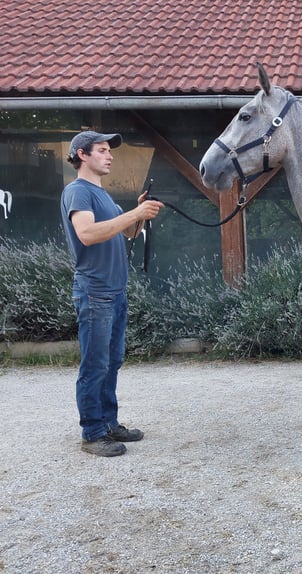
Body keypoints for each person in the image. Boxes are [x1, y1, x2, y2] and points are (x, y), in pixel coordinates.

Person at [60, 131, 163, 457]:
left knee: (112, 361)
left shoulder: (105, 197)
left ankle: (109, 423)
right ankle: (92, 433)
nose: (110, 156)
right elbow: (87, 234)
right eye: (102, 150)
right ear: (82, 154)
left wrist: (138, 211)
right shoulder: (77, 192)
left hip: (115, 292)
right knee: (95, 364)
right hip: (95, 292)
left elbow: (128, 231)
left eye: (109, 151)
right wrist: (133, 215)